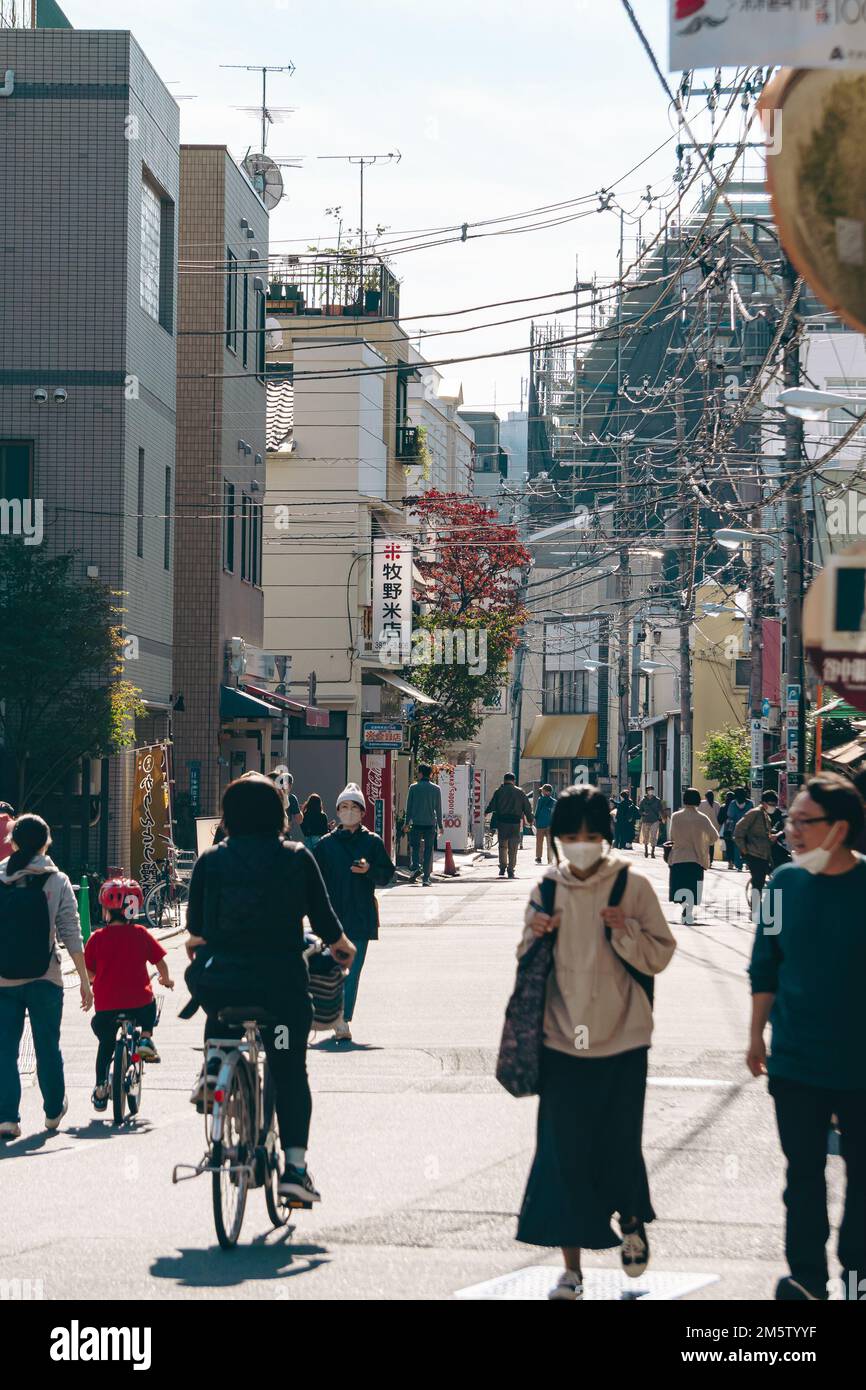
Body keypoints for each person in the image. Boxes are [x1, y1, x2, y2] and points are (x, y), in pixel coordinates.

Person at [515, 785, 676, 1300]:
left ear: (605, 836)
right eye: (570, 835)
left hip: (624, 1041)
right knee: (563, 1155)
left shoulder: (632, 886)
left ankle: (631, 1220)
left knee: (618, 1146)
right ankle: (571, 1270)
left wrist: (625, 930)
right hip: (561, 1042)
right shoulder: (545, 890)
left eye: (590, 835)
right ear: (557, 838)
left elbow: (661, 953)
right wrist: (535, 935)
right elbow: (525, 959)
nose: (580, 844)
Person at [185, 774, 356, 1204]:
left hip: (224, 983)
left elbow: (196, 933)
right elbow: (325, 922)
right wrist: (341, 948)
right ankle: (295, 1170)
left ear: (228, 817)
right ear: (280, 815)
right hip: (280, 990)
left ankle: (215, 1065)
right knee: (288, 1068)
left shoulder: (212, 862)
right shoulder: (297, 858)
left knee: (220, 1006)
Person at [748, 773, 866, 1302]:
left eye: (803, 822)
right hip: (795, 1058)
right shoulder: (782, 885)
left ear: (839, 828)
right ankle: (807, 1279)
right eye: (790, 820)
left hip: (860, 1063)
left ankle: (858, 1275)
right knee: (803, 1176)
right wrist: (756, 1037)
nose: (791, 831)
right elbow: (764, 966)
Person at [0, 814, 91, 1140]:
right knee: (47, 1046)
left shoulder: (0, 876)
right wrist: (84, 978)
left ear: (13, 842)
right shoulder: (57, 880)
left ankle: (7, 1118)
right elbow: (71, 931)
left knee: (4, 1050)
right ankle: (53, 1110)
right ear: (46, 842)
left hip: (3, 979)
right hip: (45, 976)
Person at [314, 784, 395, 1043]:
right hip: (332, 917)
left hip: (361, 916)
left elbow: (387, 874)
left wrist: (369, 869)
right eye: (344, 807)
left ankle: (342, 1019)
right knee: (332, 970)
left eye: (354, 808)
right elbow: (312, 881)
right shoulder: (326, 845)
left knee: (352, 970)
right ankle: (330, 1013)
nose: (349, 812)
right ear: (337, 812)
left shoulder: (371, 842)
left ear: (362, 813)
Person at [86, 878, 175, 1110]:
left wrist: (93, 982)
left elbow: (89, 973)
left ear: (106, 911)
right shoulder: (141, 933)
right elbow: (160, 963)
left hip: (106, 1007)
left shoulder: (96, 939)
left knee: (106, 1044)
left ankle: (100, 1086)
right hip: (139, 1003)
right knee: (150, 1004)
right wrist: (166, 979)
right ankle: (145, 1036)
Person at [668, 789, 719, 924]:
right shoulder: (702, 818)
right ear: (697, 800)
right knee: (692, 888)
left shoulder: (676, 816)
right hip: (696, 859)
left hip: (678, 857)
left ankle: (684, 907)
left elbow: (672, 836)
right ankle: (688, 910)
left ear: (684, 799)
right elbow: (714, 836)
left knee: (679, 887)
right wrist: (703, 842)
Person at [735, 789, 781, 906]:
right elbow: (739, 830)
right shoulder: (754, 813)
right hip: (754, 853)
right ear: (763, 803)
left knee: (759, 882)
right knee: (758, 882)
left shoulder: (765, 815)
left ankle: (756, 906)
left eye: (775, 804)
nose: (773, 807)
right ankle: (755, 907)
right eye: (771, 804)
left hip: (763, 853)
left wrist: (770, 837)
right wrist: (745, 850)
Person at [486, 773, 534, 879]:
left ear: (504, 780)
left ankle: (502, 867)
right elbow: (527, 807)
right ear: (514, 780)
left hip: (502, 822)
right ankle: (511, 870)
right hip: (515, 823)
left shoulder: (499, 791)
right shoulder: (520, 792)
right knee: (513, 847)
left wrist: (486, 812)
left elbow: (492, 805)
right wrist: (530, 820)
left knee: (502, 846)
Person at [405, 764, 443, 886]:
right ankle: (426, 878)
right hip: (430, 824)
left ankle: (416, 866)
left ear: (420, 773)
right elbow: (439, 809)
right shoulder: (436, 789)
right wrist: (440, 826)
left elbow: (409, 808)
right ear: (430, 774)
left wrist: (406, 823)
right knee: (428, 850)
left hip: (416, 823)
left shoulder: (413, 788)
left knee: (415, 847)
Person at [724, 787, 753, 872]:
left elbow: (729, 815)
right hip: (748, 828)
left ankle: (738, 865)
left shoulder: (733, 803)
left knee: (737, 847)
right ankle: (748, 863)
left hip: (736, 828)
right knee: (748, 846)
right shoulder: (750, 803)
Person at [637, 785, 664, 859]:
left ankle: (652, 852)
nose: (650, 791)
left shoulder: (657, 800)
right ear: (647, 791)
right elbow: (639, 810)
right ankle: (646, 850)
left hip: (655, 820)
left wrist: (662, 818)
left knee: (654, 836)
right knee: (646, 836)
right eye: (649, 790)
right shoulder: (643, 800)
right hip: (645, 820)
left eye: (652, 789)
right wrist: (643, 813)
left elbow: (661, 810)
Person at [534, 784, 556, 864]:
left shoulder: (540, 799)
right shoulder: (554, 802)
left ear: (546, 791)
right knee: (550, 843)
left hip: (540, 824)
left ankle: (539, 857)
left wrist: (535, 818)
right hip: (550, 825)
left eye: (543, 790)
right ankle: (550, 859)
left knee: (539, 842)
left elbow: (537, 811)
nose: (541, 791)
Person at [698, 790, 716, 862]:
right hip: (713, 826)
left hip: (702, 827)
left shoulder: (701, 803)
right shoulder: (717, 805)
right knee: (711, 844)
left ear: (705, 796)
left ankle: (704, 859)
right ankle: (710, 860)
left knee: (703, 844)